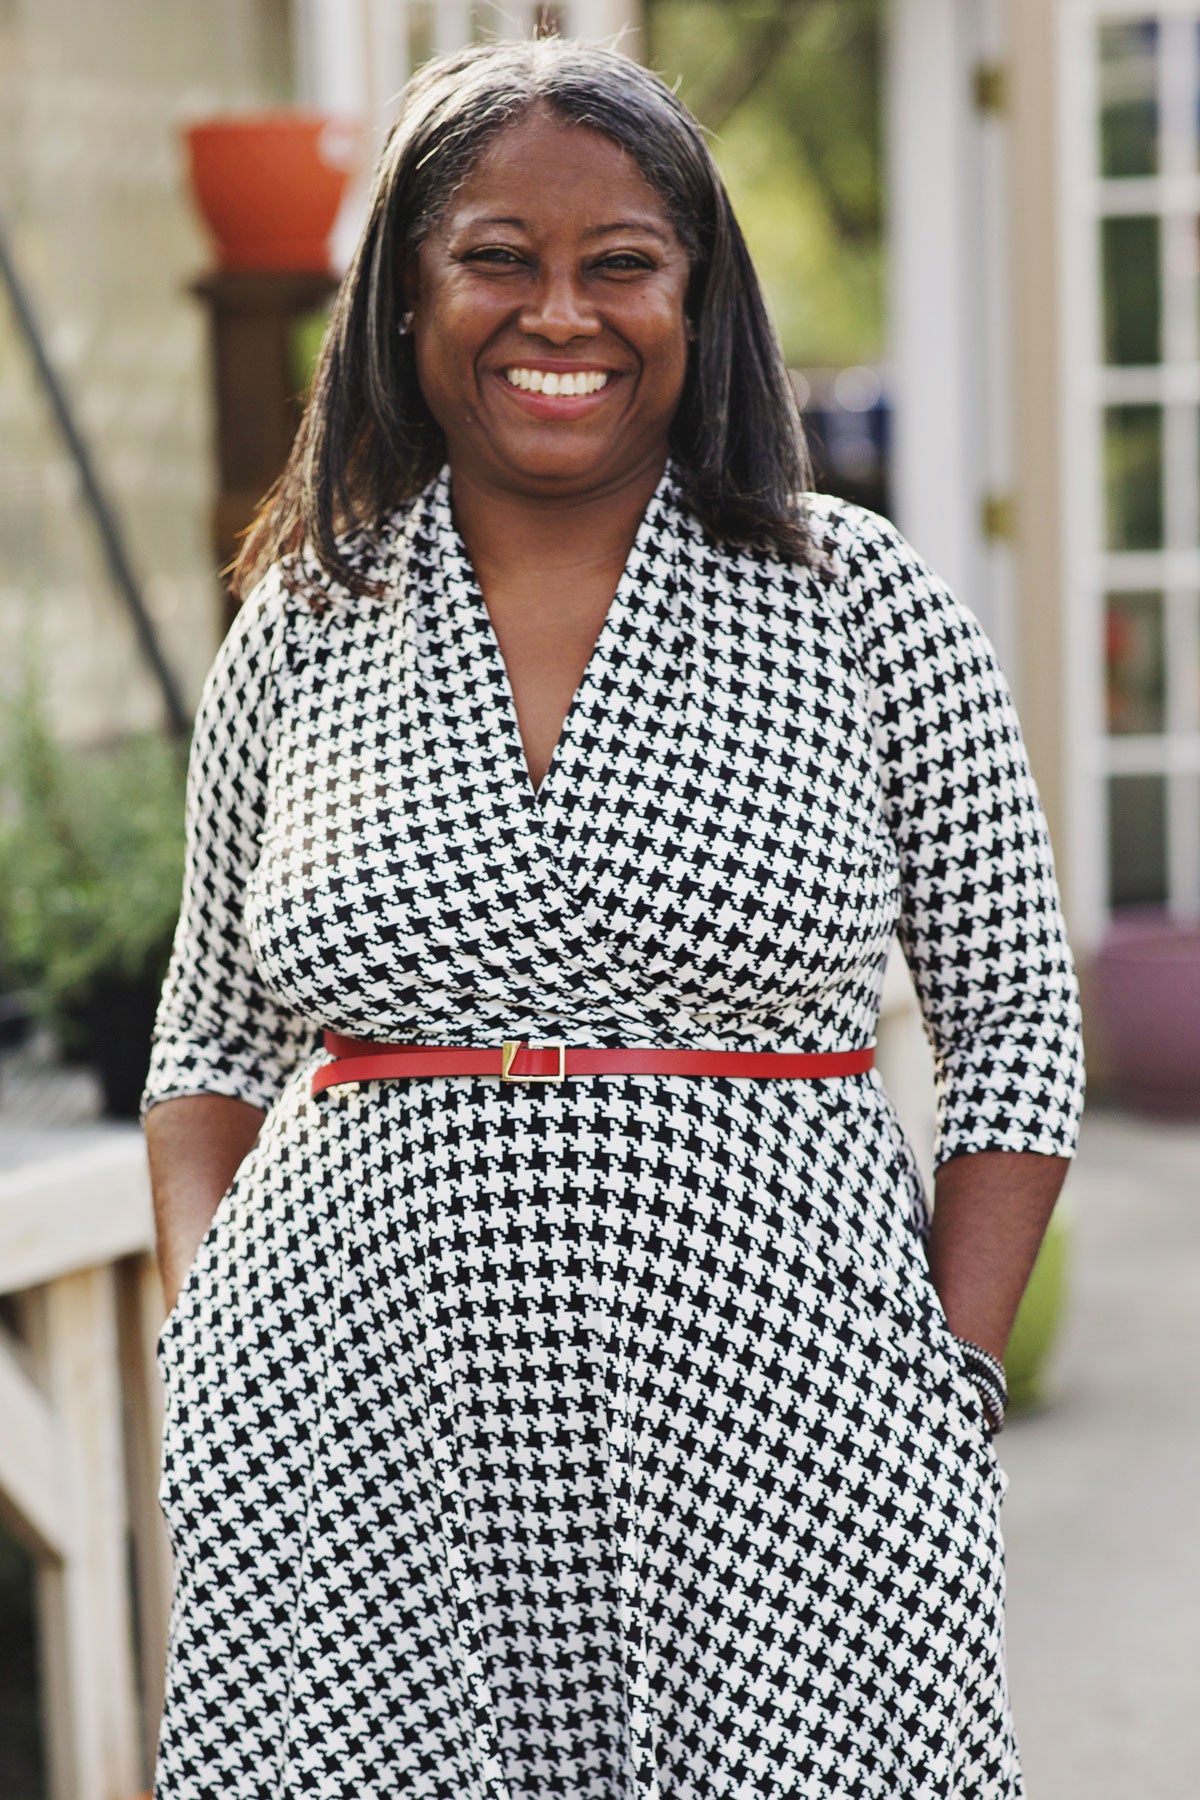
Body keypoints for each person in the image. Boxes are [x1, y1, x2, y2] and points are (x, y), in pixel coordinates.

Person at [141, 34, 1085, 1800]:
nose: (556, 313)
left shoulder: (861, 605)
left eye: (620, 263)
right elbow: (206, 1036)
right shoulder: (305, 624)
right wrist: (211, 1347)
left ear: (695, 299)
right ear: (406, 300)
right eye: (496, 256)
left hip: (786, 1428)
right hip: (354, 1436)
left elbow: (1017, 1022)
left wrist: (938, 1392)